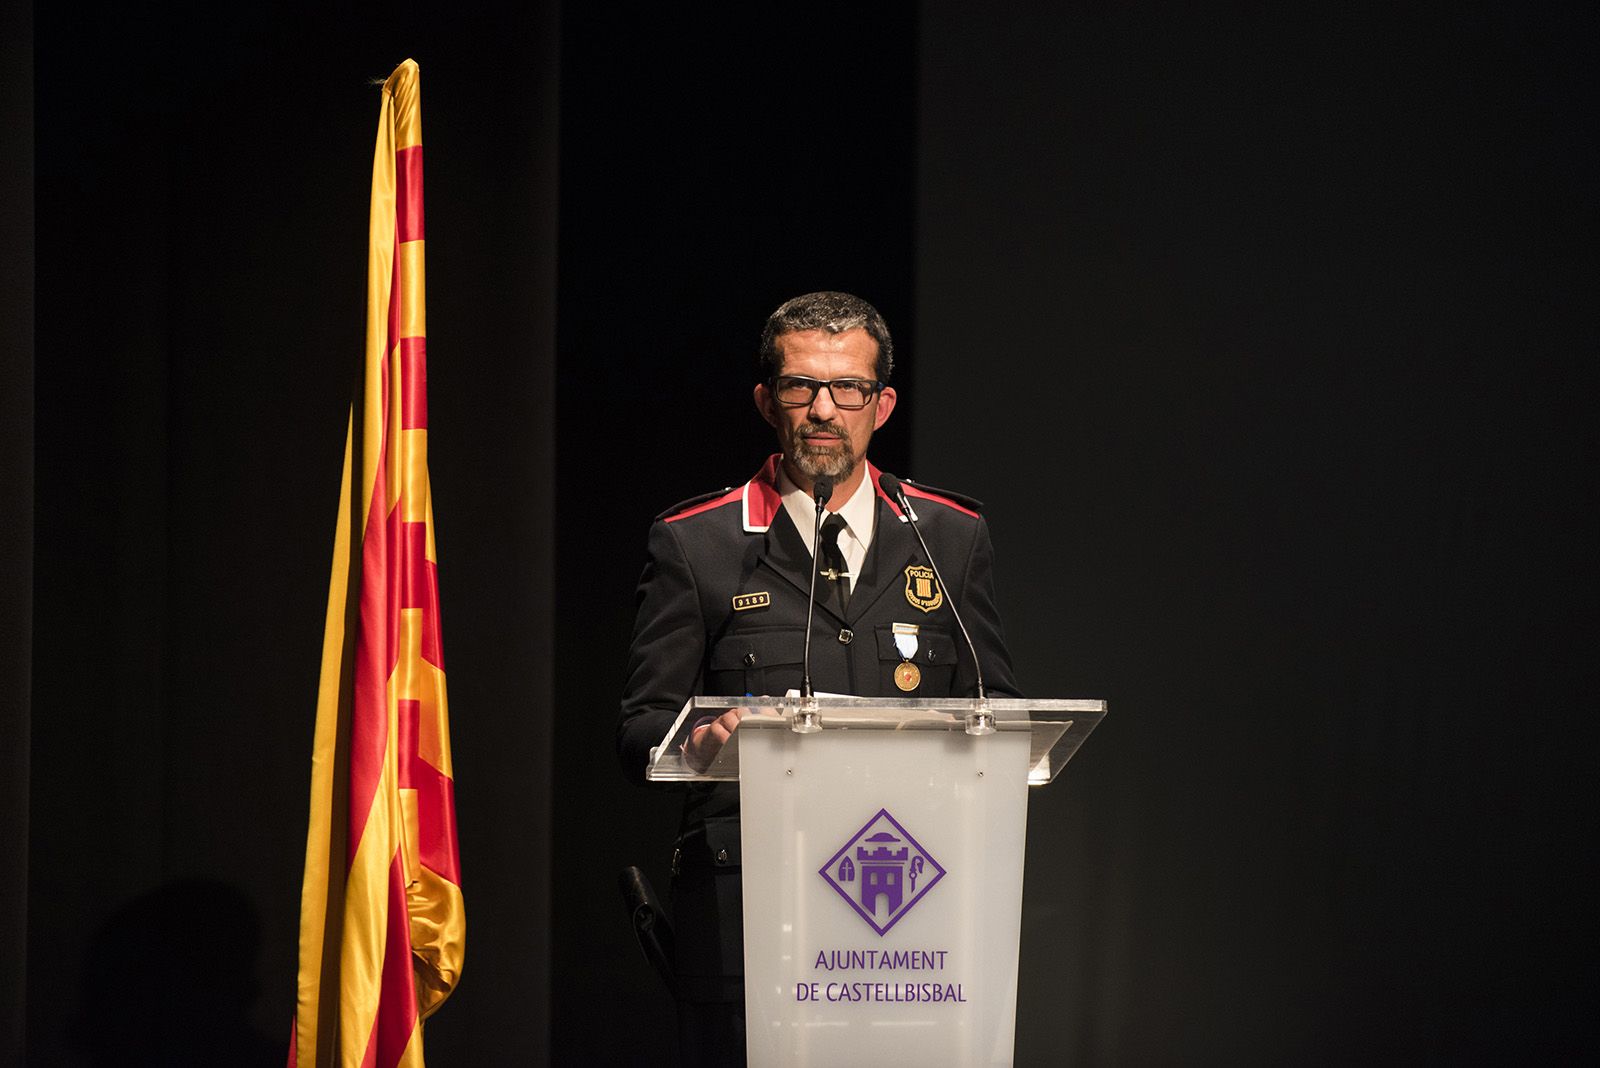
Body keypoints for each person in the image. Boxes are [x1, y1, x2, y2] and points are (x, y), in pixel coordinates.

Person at [616, 291, 1018, 1063]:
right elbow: (640, 730)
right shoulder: (696, 542)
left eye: (849, 389)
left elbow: (996, 711)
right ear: (768, 400)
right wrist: (703, 742)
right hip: (746, 912)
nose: (824, 410)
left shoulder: (950, 538)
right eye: (801, 387)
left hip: (912, 922)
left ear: (883, 403)